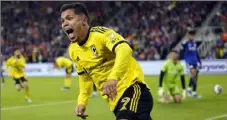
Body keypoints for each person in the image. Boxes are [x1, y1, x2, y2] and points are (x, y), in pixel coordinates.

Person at [60, 3, 153, 120]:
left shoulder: (101, 34)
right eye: (62, 21)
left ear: (83, 20)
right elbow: (85, 78)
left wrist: (113, 78)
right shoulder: (73, 50)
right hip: (115, 101)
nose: (65, 23)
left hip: (132, 89)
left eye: (69, 18)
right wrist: (82, 102)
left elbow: (124, 49)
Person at [182, 29, 202, 98]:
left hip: (195, 61)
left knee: (195, 76)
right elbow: (182, 50)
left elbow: (196, 52)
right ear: (188, 35)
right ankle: (192, 92)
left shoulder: (195, 43)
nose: (192, 36)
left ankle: (191, 90)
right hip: (189, 61)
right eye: (191, 34)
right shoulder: (185, 43)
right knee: (193, 74)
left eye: (193, 35)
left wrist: (199, 61)